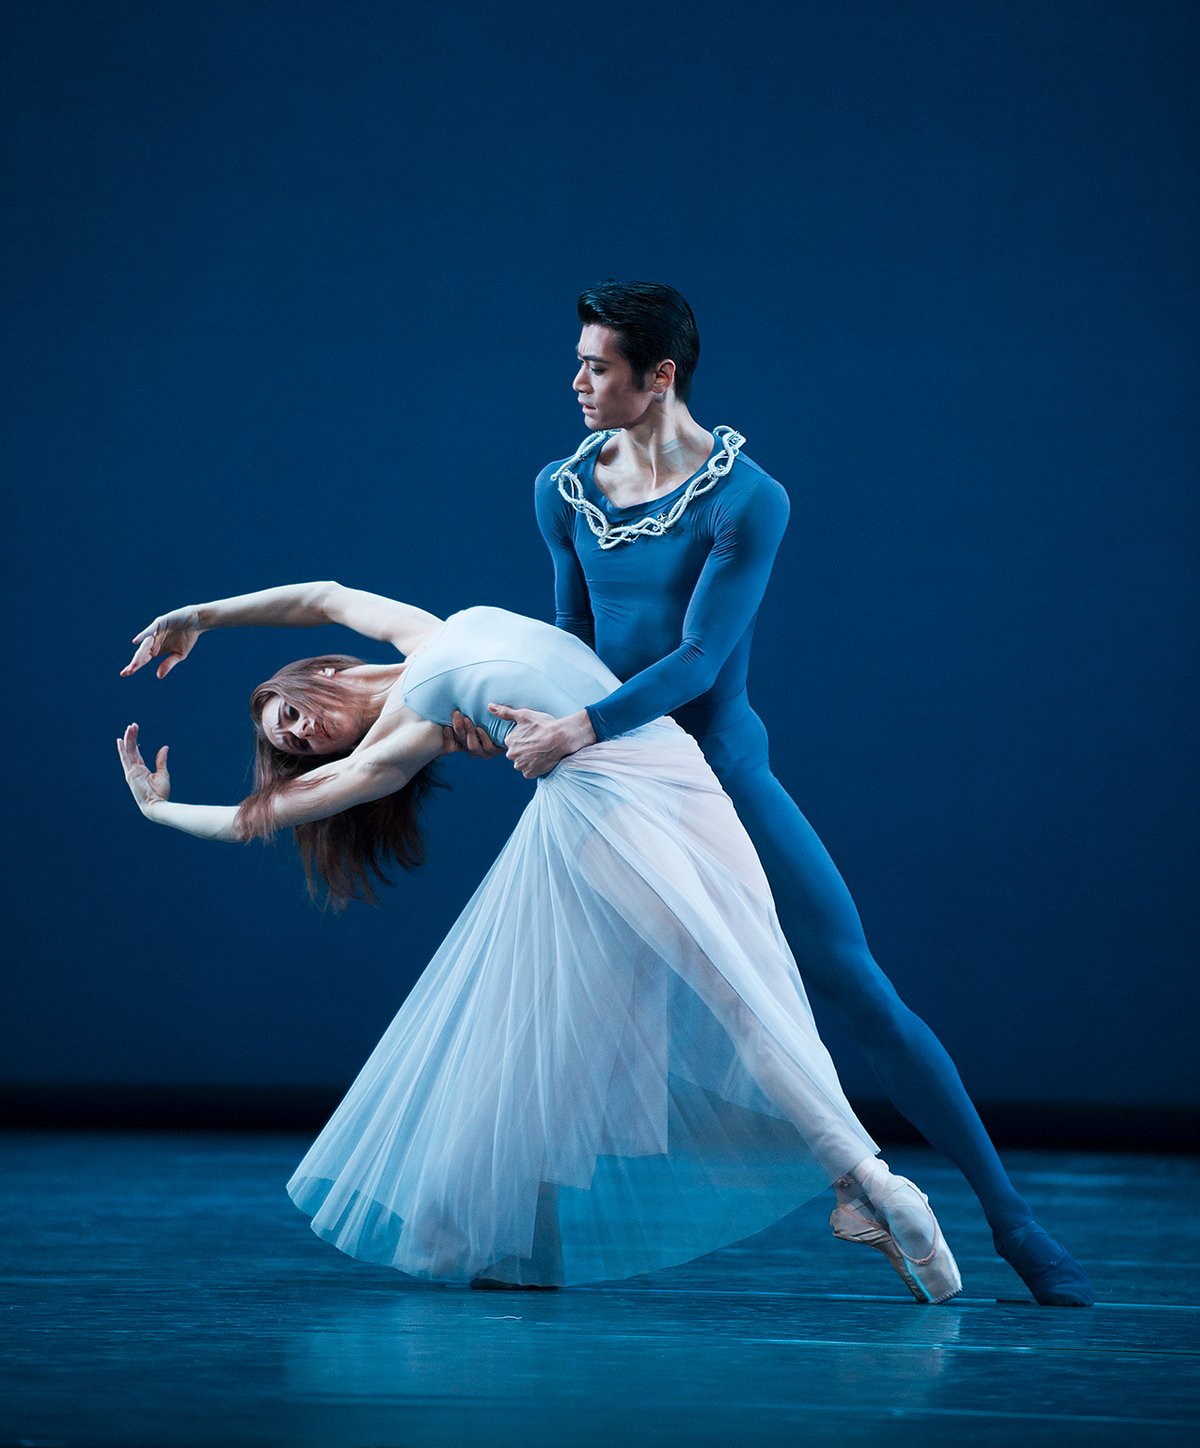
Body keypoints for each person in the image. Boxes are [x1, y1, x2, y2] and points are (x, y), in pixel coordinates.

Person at [454, 280, 1093, 1307]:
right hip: (612, 788)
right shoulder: (560, 488)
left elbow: (702, 658)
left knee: (854, 986)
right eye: (576, 361)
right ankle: (524, 1235)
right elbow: (566, 645)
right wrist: (516, 720)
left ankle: (1014, 1219)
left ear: (660, 376)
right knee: (563, 1004)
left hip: (719, 776)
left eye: (598, 365)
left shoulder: (749, 496)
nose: (575, 381)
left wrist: (581, 724)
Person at [117, 581, 961, 1300]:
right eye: (289, 745)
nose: (297, 736)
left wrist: (201, 613)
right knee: (736, 993)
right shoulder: (396, 743)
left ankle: (865, 1186)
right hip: (626, 786)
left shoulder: (425, 639)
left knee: (744, 989)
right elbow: (251, 820)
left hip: (659, 765)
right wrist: (160, 811)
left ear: (325, 672)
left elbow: (321, 597)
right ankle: (867, 1182)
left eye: (289, 715)